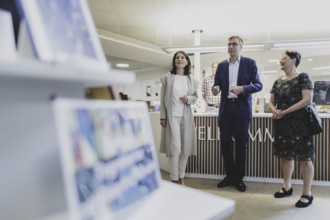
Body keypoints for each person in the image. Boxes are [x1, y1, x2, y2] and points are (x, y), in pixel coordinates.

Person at [212, 35, 263, 192]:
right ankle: (229, 176)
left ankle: (239, 178)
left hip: (241, 109)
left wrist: (243, 89)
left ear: (241, 47)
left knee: (241, 145)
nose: (231, 47)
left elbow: (258, 85)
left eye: (235, 44)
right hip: (226, 109)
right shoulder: (221, 66)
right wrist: (216, 88)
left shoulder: (249, 63)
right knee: (225, 145)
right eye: (229, 44)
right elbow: (217, 85)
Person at [269, 50, 315, 208]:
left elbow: (307, 99)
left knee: (304, 158)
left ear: (294, 60)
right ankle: (287, 186)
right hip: (282, 124)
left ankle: (307, 193)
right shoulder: (277, 81)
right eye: (281, 58)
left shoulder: (303, 77)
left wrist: (285, 111)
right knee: (286, 156)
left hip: (300, 124)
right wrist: (274, 110)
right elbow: (271, 102)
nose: (281, 61)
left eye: (284, 58)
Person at [159, 50, 199, 185]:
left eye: (182, 57)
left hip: (186, 117)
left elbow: (195, 98)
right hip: (172, 117)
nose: (180, 59)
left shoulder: (192, 80)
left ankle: (181, 175)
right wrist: (162, 116)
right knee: (175, 147)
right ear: (174, 61)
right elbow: (162, 98)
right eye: (177, 58)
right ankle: (174, 178)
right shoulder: (167, 78)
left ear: (187, 61)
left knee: (185, 147)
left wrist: (188, 98)